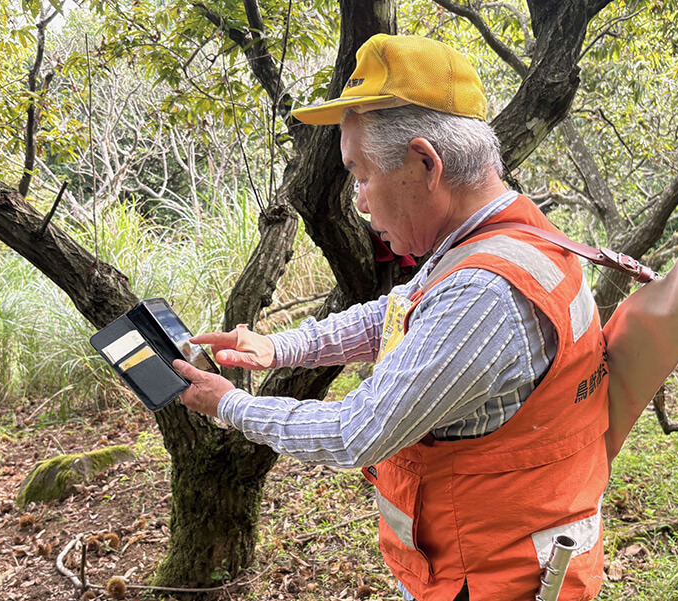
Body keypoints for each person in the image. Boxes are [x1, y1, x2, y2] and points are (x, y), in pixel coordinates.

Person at [173, 34, 609, 601]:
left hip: (494, 578)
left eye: (360, 174)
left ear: (425, 163)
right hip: (493, 553)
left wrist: (227, 404)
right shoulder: (502, 240)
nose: (357, 199)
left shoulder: (485, 294)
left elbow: (355, 433)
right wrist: (280, 348)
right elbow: (400, 313)